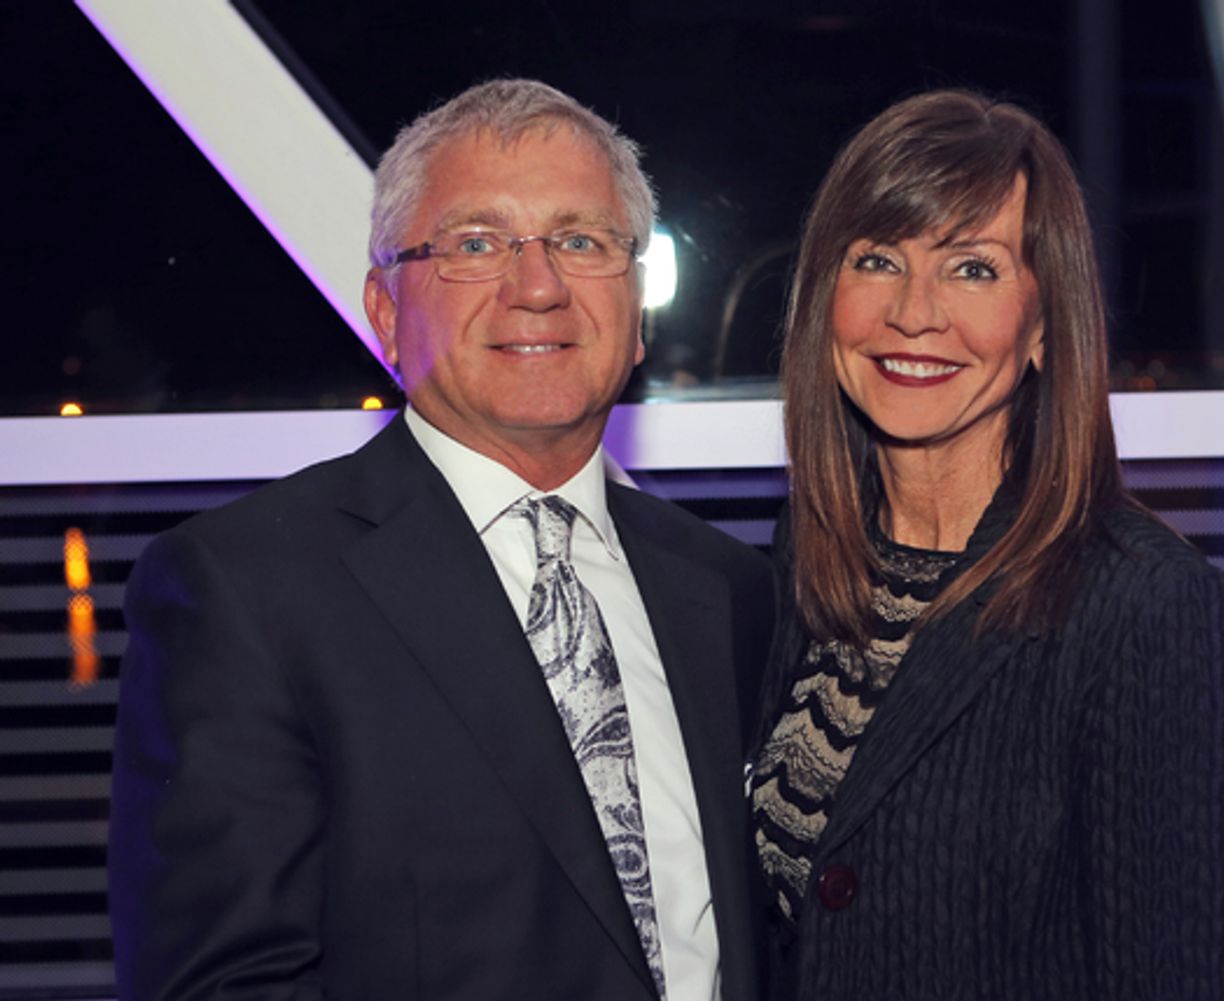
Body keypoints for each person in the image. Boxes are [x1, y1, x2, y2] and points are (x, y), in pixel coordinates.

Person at [108, 78, 774, 1001]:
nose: (537, 286)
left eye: (580, 241)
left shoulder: (729, 588)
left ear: (635, 310)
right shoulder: (247, 591)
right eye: (475, 244)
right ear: (385, 312)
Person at [749, 90, 1224, 1000]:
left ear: (1042, 325)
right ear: (825, 299)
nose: (914, 313)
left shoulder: (1148, 611)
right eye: (877, 259)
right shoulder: (813, 555)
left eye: (972, 269)